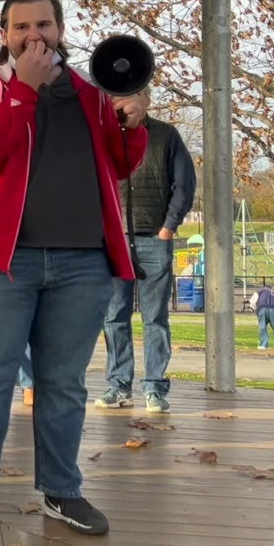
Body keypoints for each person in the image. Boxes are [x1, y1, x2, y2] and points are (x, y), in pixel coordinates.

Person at [0, 0, 147, 536]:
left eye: (43, 26)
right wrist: (23, 90)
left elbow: (119, 165)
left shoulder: (93, 95)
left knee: (64, 383)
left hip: (82, 264)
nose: (33, 36)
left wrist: (133, 124)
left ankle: (62, 492)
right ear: (4, 34)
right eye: (21, 28)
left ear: (61, 30)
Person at [97, 100, 195, 414]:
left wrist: (168, 227)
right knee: (114, 317)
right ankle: (118, 385)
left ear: (146, 100)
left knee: (155, 319)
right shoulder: (104, 134)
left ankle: (154, 388)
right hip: (116, 239)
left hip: (155, 237)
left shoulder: (166, 135)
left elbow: (184, 184)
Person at [254, 284, 274, 349]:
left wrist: (256, 310)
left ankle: (263, 344)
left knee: (262, 327)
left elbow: (252, 302)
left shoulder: (259, 291)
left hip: (262, 309)